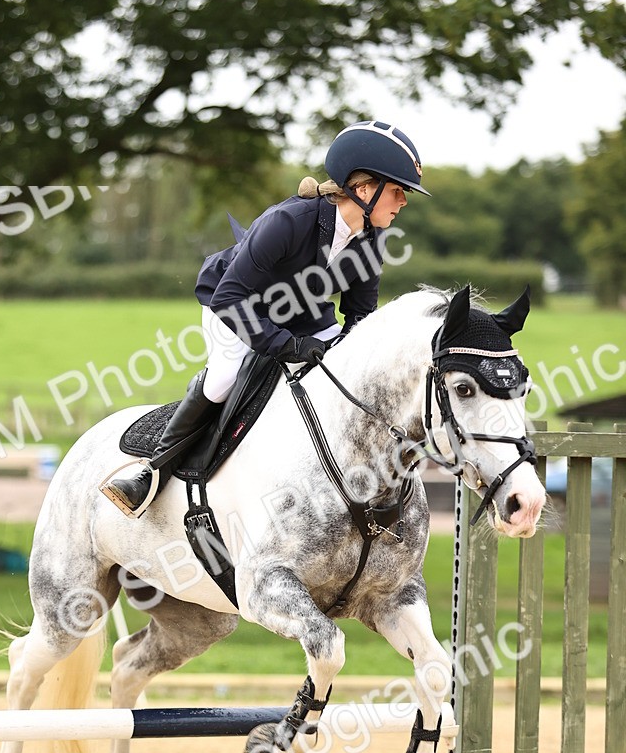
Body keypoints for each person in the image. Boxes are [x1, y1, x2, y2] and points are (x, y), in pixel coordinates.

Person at [102, 119, 429, 516]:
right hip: (237, 303)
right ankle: (152, 470)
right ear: (363, 189)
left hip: (304, 314)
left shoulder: (371, 241)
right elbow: (230, 297)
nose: (404, 202)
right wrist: (288, 347)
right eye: (397, 191)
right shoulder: (288, 222)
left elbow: (360, 317)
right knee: (225, 375)